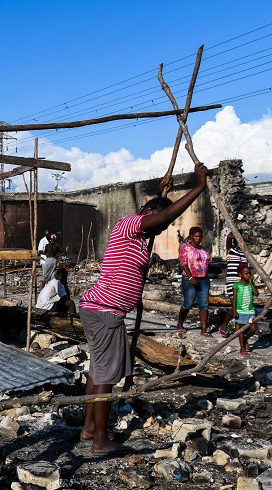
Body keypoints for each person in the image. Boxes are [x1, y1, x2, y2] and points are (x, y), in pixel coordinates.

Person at [78, 162, 209, 455]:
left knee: (98, 370)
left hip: (102, 309)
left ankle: (89, 428)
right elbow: (161, 214)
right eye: (158, 223)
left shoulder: (139, 238)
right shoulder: (129, 223)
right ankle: (100, 440)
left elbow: (158, 215)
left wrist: (164, 191)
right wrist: (197, 187)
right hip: (104, 311)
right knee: (105, 376)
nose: (160, 228)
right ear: (147, 215)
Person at [177, 226, 212, 337]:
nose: (198, 238)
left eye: (200, 236)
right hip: (190, 279)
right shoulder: (185, 247)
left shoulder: (202, 249)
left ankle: (203, 330)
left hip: (204, 279)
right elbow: (184, 263)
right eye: (196, 236)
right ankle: (180, 324)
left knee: (204, 304)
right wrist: (191, 277)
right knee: (188, 303)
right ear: (191, 236)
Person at [218, 234, 248, 337]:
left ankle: (239, 329)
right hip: (232, 282)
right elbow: (229, 237)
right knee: (235, 305)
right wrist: (242, 237)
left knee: (241, 306)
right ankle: (224, 325)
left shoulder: (245, 254)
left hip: (242, 283)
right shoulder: (231, 251)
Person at [231, 263, 259, 356]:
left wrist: (251, 283)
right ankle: (242, 348)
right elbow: (234, 298)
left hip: (250, 310)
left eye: (249, 273)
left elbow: (256, 294)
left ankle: (246, 339)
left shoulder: (251, 284)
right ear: (240, 275)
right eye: (246, 273)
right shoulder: (236, 285)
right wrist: (234, 311)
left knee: (253, 328)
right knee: (241, 330)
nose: (248, 275)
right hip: (241, 311)